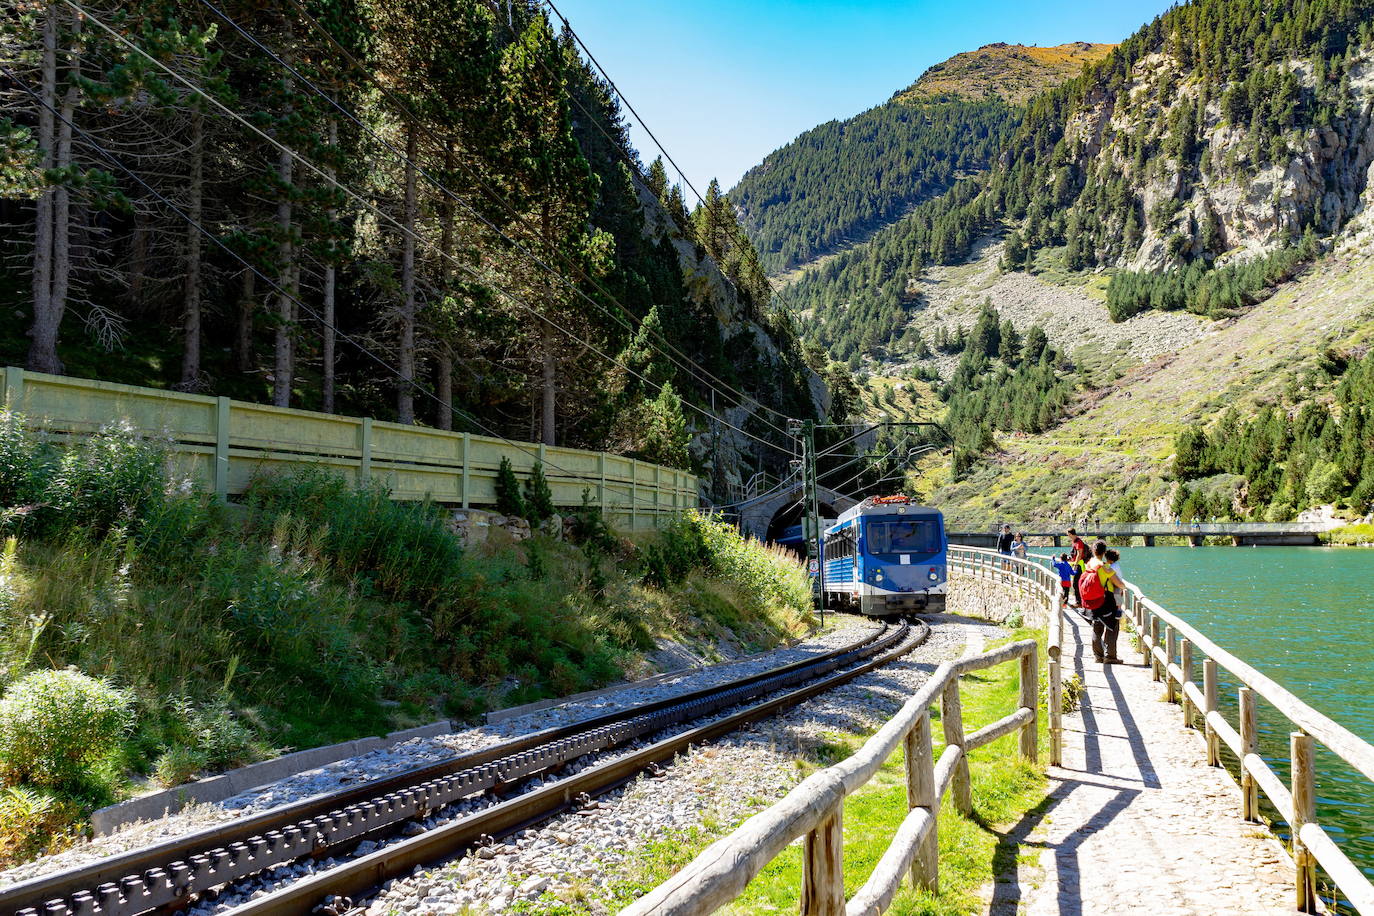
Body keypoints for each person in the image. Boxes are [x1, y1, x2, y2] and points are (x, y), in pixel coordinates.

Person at [1085, 541, 1126, 664]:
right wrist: (1123, 586)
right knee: (1112, 627)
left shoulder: (1089, 564)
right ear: (1104, 552)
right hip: (1106, 600)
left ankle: (1098, 656)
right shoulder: (1104, 566)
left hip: (1093, 599)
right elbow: (1119, 583)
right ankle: (1110, 657)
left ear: (1093, 550)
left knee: (1097, 627)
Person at [1066, 528, 1090, 607]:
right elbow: (1075, 554)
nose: (1068, 536)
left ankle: (1079, 602)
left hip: (1079, 566)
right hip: (1077, 564)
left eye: (1068, 535)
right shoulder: (1074, 542)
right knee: (1076, 583)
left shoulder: (1078, 542)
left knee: (1076, 583)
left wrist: (1075, 565)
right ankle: (1079, 601)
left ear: (1071, 534)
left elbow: (1079, 555)